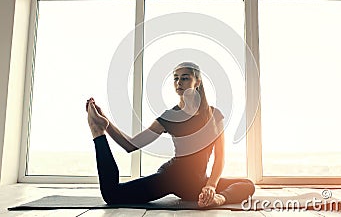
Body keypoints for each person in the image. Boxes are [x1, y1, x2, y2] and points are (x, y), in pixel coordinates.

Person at [86, 62, 255, 207]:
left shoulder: (214, 115)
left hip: (199, 183)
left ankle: (219, 199)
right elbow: (131, 145)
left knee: (247, 185)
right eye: (175, 78)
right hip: (171, 178)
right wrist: (105, 125)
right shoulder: (169, 117)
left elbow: (220, 157)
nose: (178, 82)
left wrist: (211, 186)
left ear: (197, 82)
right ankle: (97, 133)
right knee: (112, 195)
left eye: (185, 77)